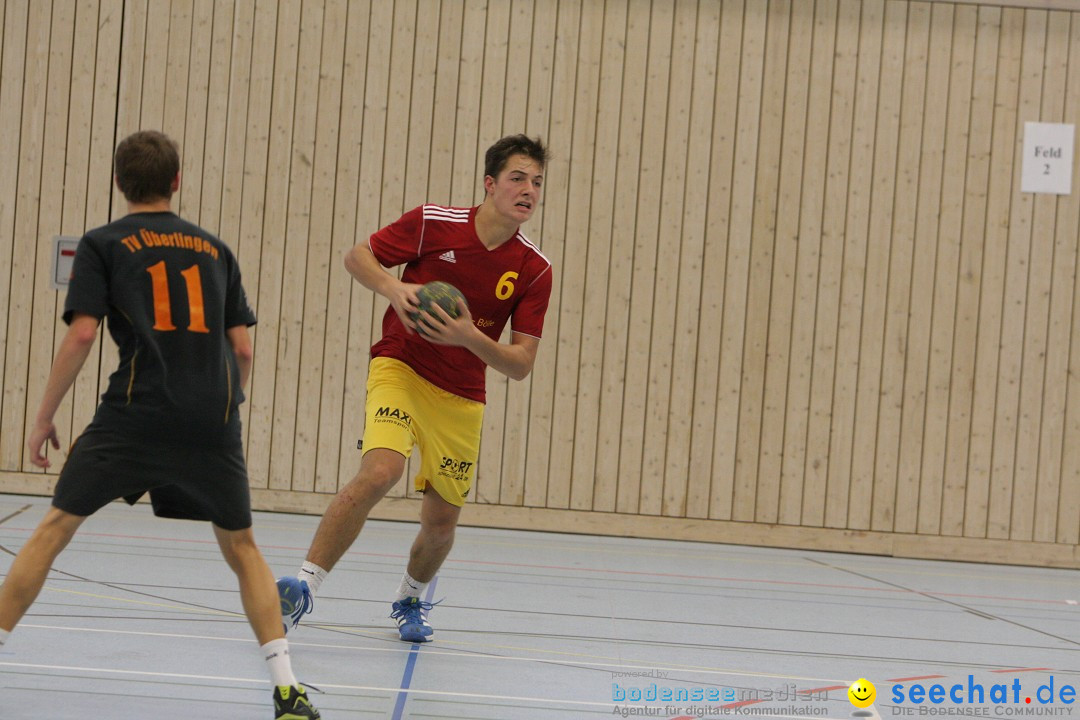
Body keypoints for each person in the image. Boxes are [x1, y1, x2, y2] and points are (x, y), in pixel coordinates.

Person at [0, 131, 320, 719]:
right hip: (212, 421)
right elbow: (243, 351)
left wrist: (43, 416)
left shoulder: (104, 244)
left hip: (135, 412)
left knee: (54, 529)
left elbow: (81, 333)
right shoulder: (216, 250)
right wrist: (223, 411)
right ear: (177, 181)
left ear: (121, 184)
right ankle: (288, 690)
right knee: (243, 547)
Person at [277, 134, 552, 644]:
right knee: (381, 469)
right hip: (401, 367)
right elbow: (357, 257)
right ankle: (302, 586)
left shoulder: (534, 269)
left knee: (442, 519)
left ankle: (409, 600)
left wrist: (468, 335)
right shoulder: (433, 222)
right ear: (490, 184)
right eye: (518, 178)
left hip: (462, 394)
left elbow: (520, 365)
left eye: (537, 182)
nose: (529, 189)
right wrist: (394, 287)